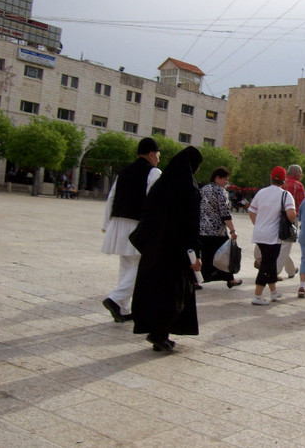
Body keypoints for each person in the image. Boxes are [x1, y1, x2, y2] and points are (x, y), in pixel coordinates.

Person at [130, 146, 203, 352]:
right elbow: (191, 225)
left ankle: (158, 332)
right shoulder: (189, 188)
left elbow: (145, 214)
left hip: (154, 249)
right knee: (176, 294)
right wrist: (195, 254)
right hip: (176, 253)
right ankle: (159, 334)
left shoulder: (161, 185)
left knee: (155, 291)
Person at [101, 137, 161, 323]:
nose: (159, 158)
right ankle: (116, 299)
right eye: (158, 155)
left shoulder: (123, 172)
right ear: (151, 154)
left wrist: (106, 225)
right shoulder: (154, 172)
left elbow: (111, 198)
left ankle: (124, 309)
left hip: (119, 223)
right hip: (138, 225)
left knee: (126, 265)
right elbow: (155, 202)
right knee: (142, 267)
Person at [248, 166, 296, 305]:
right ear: (284, 180)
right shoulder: (285, 195)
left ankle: (274, 292)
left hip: (259, 234)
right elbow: (291, 214)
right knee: (267, 265)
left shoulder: (261, 193)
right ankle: (257, 296)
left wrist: (259, 225)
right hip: (273, 236)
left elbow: (252, 211)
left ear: (271, 177)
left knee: (269, 263)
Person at [199, 167, 242, 289]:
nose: (225, 182)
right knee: (226, 255)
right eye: (224, 179)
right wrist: (232, 230)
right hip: (217, 231)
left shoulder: (203, 189)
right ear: (217, 178)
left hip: (202, 229)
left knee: (205, 256)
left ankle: (198, 279)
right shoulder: (220, 191)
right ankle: (230, 279)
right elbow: (225, 213)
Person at [280, 164, 305, 279]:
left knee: (280, 246)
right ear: (296, 173)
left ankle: (291, 270)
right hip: (290, 218)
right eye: (300, 172)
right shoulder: (298, 186)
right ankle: (274, 272)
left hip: (276, 218)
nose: (302, 175)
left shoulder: (280, 183)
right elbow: (302, 205)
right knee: (285, 246)